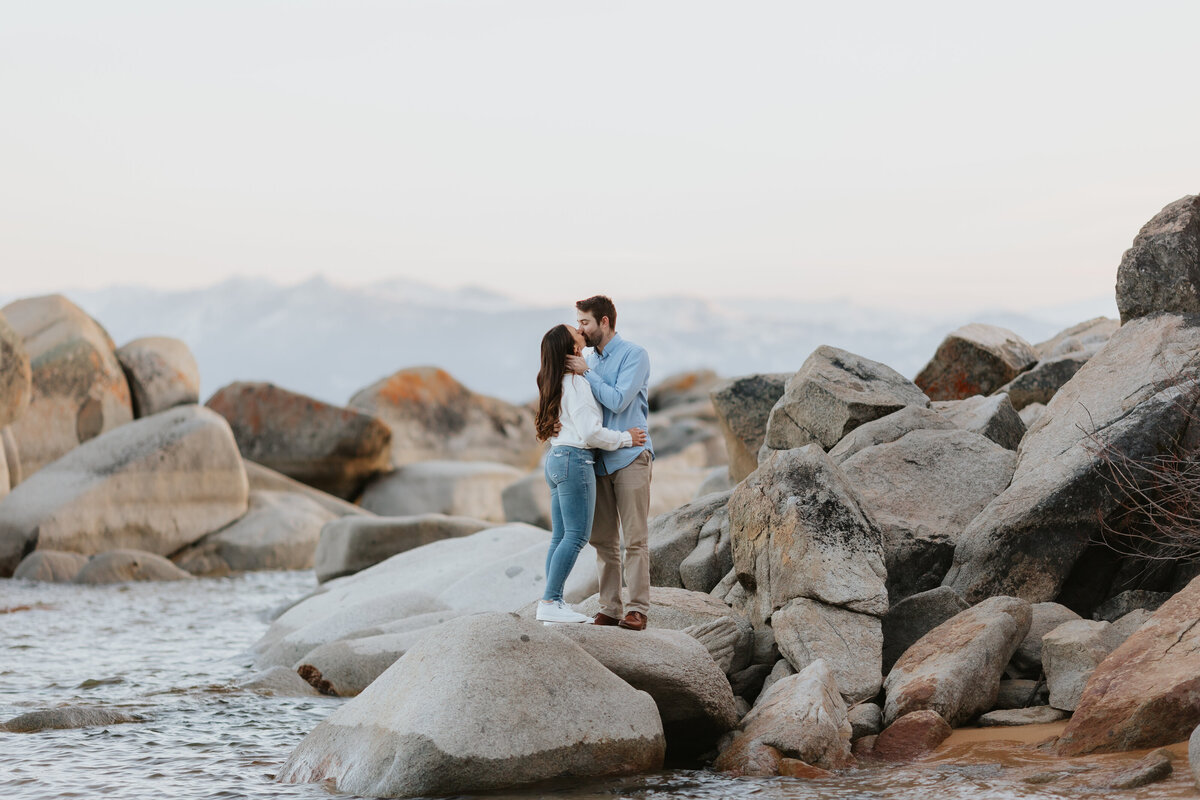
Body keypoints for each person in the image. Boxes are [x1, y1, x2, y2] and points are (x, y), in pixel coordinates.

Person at [534, 323, 646, 624]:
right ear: (572, 349)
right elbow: (590, 433)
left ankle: (551, 600)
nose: (582, 334)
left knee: (559, 536)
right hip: (575, 460)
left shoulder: (555, 380)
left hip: (556, 459)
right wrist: (625, 438)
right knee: (576, 536)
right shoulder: (577, 383)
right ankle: (550, 601)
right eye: (577, 333)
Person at [566, 295, 654, 631]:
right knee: (602, 539)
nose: (580, 329)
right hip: (598, 459)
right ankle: (609, 607)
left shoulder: (635, 355)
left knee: (634, 538)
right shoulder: (588, 359)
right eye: (578, 322)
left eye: (585, 322)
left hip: (631, 455)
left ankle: (638, 610)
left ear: (604, 322)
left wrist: (587, 374)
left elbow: (618, 401)